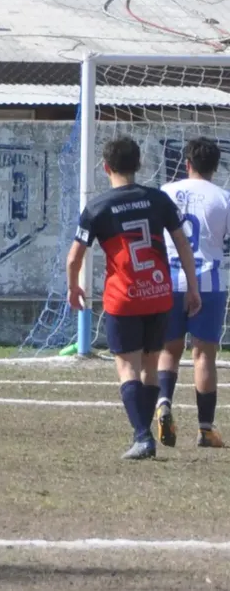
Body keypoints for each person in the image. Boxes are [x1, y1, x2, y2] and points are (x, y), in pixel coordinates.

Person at [67, 136, 201, 460]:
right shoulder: (158, 200)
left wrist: (73, 287)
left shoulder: (97, 208)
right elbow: (183, 244)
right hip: (158, 295)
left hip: (124, 297)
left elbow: (74, 258)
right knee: (150, 367)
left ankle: (143, 436)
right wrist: (192, 287)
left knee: (126, 367)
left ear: (105, 167)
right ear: (139, 165)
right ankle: (141, 430)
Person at [155, 137, 230, 449]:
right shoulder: (223, 198)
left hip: (170, 280)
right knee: (203, 356)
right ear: (216, 167)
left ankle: (162, 404)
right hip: (209, 282)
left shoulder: (166, 193)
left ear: (186, 163)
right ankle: (205, 429)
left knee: (169, 350)